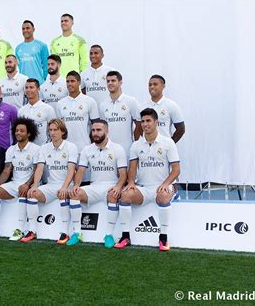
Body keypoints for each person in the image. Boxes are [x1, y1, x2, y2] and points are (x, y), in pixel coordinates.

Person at [118, 108, 180, 251]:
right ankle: (125, 236)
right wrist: (131, 183)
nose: (145, 124)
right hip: (144, 188)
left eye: (148, 121)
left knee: (163, 196)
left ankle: (163, 238)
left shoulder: (168, 142)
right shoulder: (136, 145)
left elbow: (176, 170)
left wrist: (165, 184)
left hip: (162, 186)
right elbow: (132, 169)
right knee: (125, 194)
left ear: (156, 122)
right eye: (143, 121)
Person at [69, 121, 127, 247]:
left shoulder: (118, 149)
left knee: (113, 195)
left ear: (107, 131)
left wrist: (118, 186)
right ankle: (77, 233)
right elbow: (81, 171)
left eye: (99, 130)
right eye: (93, 130)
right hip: (94, 186)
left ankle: (108, 235)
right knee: (74, 194)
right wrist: (76, 185)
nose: (95, 133)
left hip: (111, 186)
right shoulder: (87, 149)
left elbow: (123, 174)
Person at [0, 117, 40, 241]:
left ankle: (19, 230)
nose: (18, 133)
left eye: (21, 131)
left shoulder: (35, 149)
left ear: (29, 133)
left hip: (30, 184)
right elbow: (6, 170)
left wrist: (27, 184)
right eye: (16, 130)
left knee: (23, 191)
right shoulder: (11, 149)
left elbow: (37, 170)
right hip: (14, 183)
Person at [27, 119, 78, 244]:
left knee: (63, 194)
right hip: (50, 186)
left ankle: (65, 233)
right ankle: (32, 231)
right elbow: (39, 168)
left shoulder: (71, 147)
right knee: (32, 194)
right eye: (50, 130)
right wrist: (34, 185)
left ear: (63, 132)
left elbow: (71, 170)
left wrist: (65, 187)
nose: (52, 133)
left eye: (56, 130)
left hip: (67, 184)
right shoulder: (44, 148)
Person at [99, 70, 142, 156]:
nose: (110, 83)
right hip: (108, 150)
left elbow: (139, 124)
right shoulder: (103, 105)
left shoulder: (131, 101)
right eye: (108, 81)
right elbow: (102, 129)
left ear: (120, 82)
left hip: (127, 150)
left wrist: (135, 144)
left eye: (113, 80)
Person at [57, 71, 100, 152]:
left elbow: (96, 126)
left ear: (79, 82)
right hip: (66, 149)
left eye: (72, 81)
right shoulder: (60, 103)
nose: (69, 84)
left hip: (85, 148)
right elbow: (59, 128)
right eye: (67, 81)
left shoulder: (89, 101)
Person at [142, 75, 185, 142]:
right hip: (147, 149)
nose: (152, 87)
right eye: (150, 85)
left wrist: (169, 145)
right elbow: (139, 127)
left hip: (164, 150)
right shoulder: (143, 106)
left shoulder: (171, 105)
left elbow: (181, 129)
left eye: (155, 84)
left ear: (163, 86)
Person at [18, 78, 56, 145]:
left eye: (31, 87)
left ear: (38, 89)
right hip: (27, 151)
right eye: (26, 88)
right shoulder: (21, 111)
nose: (28, 90)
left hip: (43, 150)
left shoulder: (48, 109)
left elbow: (54, 131)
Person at [50, 13, 88, 78]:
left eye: (66, 21)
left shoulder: (80, 41)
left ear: (72, 22)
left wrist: (81, 76)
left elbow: (84, 61)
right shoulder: (54, 42)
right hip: (60, 80)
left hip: (74, 79)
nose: (63, 23)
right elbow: (53, 62)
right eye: (62, 21)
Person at [15, 20, 49, 85]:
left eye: (28, 28)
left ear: (33, 29)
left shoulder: (42, 46)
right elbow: (19, 67)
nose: (25, 30)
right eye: (23, 29)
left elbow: (46, 65)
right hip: (24, 84)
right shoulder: (18, 48)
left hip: (39, 83)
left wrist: (45, 80)